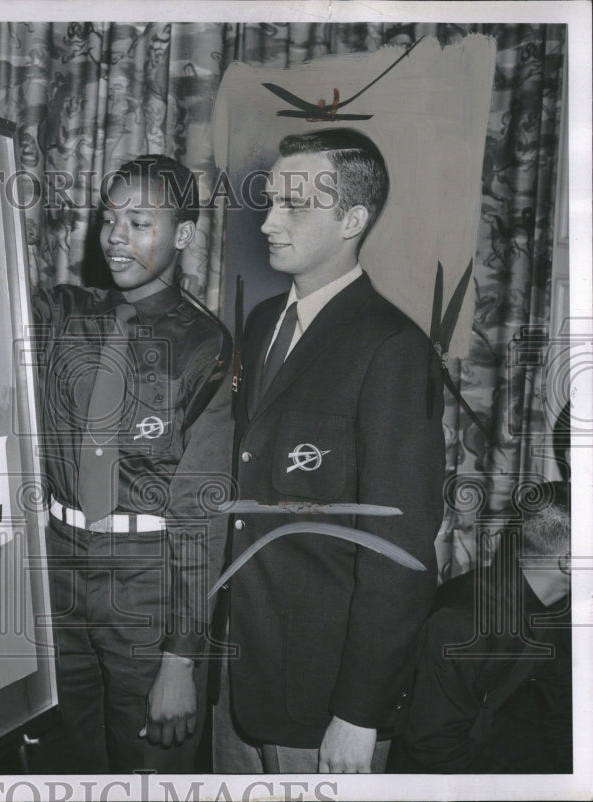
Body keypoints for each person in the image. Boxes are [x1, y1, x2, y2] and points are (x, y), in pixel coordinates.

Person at [212, 128, 446, 773]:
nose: (267, 223)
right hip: (237, 665)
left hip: (321, 693)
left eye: (294, 204)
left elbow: (401, 550)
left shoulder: (392, 349)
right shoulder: (263, 323)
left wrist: (360, 711)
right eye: (269, 201)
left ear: (352, 218)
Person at [30, 155, 232, 772]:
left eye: (139, 222)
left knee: (150, 773)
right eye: (110, 218)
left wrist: (180, 660)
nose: (116, 236)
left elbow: (204, 519)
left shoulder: (207, 348)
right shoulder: (62, 314)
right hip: (57, 573)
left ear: (184, 237)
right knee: (62, 765)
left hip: (146, 587)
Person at [388, 483, 571, 772]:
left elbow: (563, 715)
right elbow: (435, 748)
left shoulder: (560, 610)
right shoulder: (461, 624)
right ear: (569, 563)